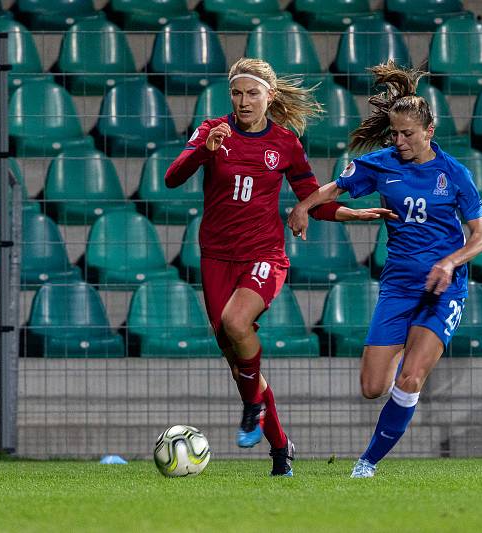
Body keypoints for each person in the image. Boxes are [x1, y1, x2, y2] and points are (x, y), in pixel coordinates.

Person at [164, 58, 395, 477]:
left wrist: (355, 215)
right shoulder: (212, 131)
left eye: (252, 93)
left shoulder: (285, 143)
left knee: (238, 323)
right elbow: (172, 178)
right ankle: (281, 447)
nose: (243, 101)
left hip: (264, 255)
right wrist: (203, 151)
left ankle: (253, 405)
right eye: (237, 93)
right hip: (216, 258)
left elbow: (311, 198)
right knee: (240, 368)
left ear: (269, 96)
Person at [288, 61, 482, 478]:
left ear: (429, 131)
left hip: (443, 288)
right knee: (372, 387)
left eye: (407, 134)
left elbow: (481, 238)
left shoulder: (455, 175)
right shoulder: (382, 163)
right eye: (395, 133)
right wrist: (304, 205)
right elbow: (334, 188)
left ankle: (368, 462)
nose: (399, 140)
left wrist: (450, 262)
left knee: (412, 377)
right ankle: (403, 350)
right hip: (398, 284)